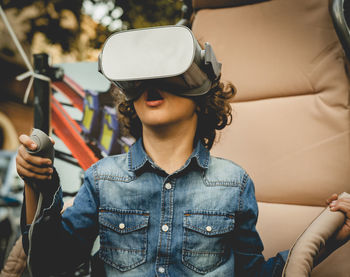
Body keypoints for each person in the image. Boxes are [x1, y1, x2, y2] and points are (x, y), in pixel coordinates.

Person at [16, 25, 350, 276]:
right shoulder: (102, 179)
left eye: (167, 72)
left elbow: (253, 274)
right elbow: (48, 265)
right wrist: (38, 185)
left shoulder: (234, 183)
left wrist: (330, 236)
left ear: (202, 96)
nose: (152, 83)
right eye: (142, 76)